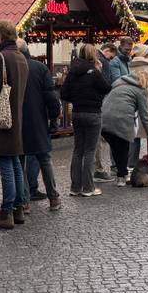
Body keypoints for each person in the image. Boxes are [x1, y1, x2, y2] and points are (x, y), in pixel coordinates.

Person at [0, 22, 30, 231]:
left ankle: (6, 212)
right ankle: (18, 208)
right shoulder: (21, 57)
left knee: (6, 167)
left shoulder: (0, 57)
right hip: (16, 117)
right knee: (16, 164)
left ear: (0, 36)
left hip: (3, 119)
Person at [59, 43, 110, 197]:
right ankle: (88, 187)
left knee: (77, 150)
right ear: (93, 55)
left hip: (77, 113)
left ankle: (75, 187)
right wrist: (100, 71)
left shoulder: (73, 72)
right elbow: (107, 88)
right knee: (90, 150)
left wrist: (77, 98)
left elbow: (64, 94)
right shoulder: (94, 72)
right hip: (93, 113)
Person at [20, 40, 63, 211]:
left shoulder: (12, 68)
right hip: (38, 120)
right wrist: (53, 119)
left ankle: (24, 202)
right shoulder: (39, 68)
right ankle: (53, 198)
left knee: (19, 161)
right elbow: (51, 98)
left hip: (18, 122)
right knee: (44, 160)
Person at [100, 69, 148, 186]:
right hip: (122, 121)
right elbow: (144, 117)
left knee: (116, 148)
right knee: (123, 148)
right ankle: (121, 176)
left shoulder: (118, 83)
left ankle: (122, 173)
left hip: (104, 119)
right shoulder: (140, 90)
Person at [93, 43, 127, 183]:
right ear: (107, 51)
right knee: (98, 139)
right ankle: (99, 169)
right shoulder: (104, 62)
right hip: (99, 105)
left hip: (86, 107)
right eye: (111, 56)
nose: (111, 59)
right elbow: (106, 85)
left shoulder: (90, 61)